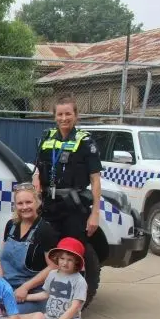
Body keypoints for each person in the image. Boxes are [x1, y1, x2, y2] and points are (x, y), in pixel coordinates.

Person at [33, 94, 102, 244]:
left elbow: (95, 180)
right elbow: (37, 169)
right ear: (55, 117)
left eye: (68, 114)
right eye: (60, 114)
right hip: (48, 205)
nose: (64, 118)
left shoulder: (85, 142)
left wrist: (95, 213)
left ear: (76, 116)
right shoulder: (47, 138)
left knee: (71, 252)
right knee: (46, 249)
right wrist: (36, 180)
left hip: (73, 207)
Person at [0, 184, 59, 314]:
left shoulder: (45, 230)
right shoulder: (11, 225)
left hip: (32, 292)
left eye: (28, 202)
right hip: (7, 286)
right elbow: (2, 260)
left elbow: (53, 267)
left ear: (37, 202)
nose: (24, 207)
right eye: (20, 203)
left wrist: (25, 287)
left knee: (5, 313)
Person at [34, 237, 89, 319]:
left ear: (77, 262)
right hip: (50, 318)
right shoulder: (52, 274)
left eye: (70, 260)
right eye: (62, 258)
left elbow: (75, 307)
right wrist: (26, 297)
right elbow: (46, 294)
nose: (64, 263)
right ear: (57, 258)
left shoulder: (79, 281)